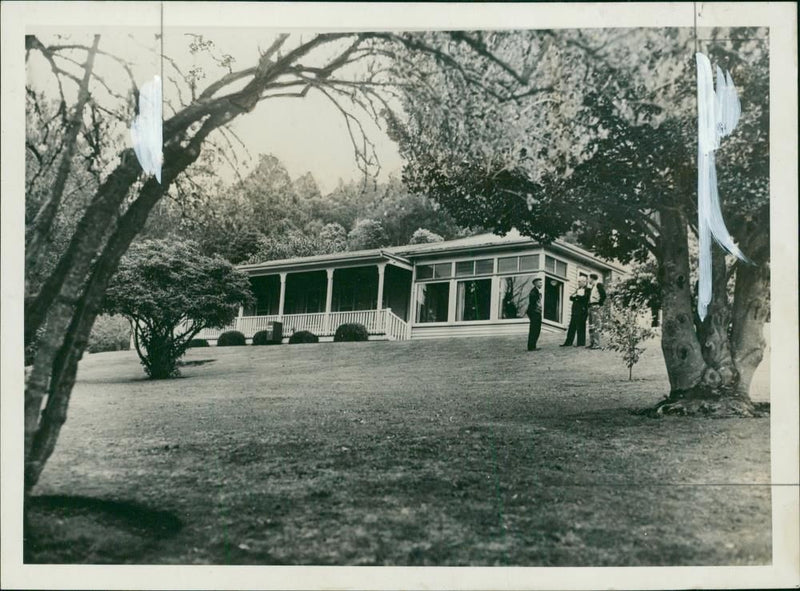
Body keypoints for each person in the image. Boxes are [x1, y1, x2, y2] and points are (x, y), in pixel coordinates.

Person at [560, 276, 589, 347]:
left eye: (579, 281)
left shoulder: (588, 290)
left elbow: (585, 298)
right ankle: (568, 342)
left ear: (584, 282)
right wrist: (577, 297)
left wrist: (577, 297)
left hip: (582, 311)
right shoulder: (578, 289)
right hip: (575, 311)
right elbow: (571, 297)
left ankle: (581, 343)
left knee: (581, 327)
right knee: (572, 327)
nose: (578, 283)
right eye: (578, 281)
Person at [586, 273, 607, 349]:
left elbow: (604, 295)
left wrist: (599, 304)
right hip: (591, 306)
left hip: (595, 306)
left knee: (596, 325)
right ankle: (592, 343)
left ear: (592, 278)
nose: (588, 280)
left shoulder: (599, 285)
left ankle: (596, 344)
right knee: (591, 325)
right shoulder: (592, 287)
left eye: (588, 278)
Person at [526, 277, 543, 351]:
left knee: (536, 329)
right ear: (535, 283)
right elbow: (534, 302)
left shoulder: (536, 291)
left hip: (536, 312)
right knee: (534, 329)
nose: (541, 284)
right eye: (540, 282)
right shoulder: (534, 292)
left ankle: (533, 346)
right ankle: (531, 346)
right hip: (534, 312)